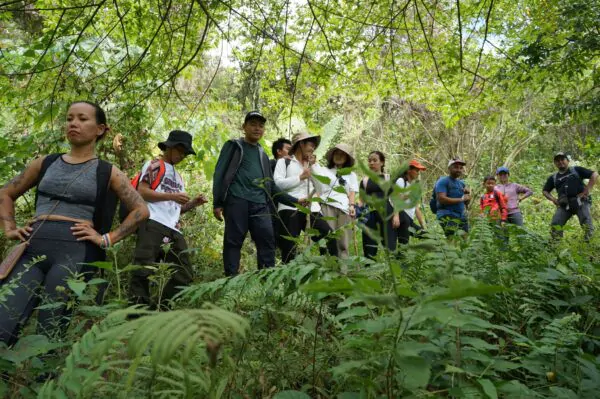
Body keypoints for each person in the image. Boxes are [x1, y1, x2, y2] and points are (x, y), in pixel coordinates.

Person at [0, 101, 149, 345]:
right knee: (5, 318)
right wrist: (9, 229)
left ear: (100, 129)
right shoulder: (46, 162)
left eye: (82, 119)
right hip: (31, 249)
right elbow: (5, 193)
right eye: (70, 118)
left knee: (52, 322)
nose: (74, 124)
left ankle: (44, 380)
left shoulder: (107, 171)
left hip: (74, 251)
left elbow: (141, 211)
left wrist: (107, 238)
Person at [212, 111, 299, 276]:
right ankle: (231, 280)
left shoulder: (263, 155)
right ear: (244, 127)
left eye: (260, 125)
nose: (257, 128)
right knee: (233, 241)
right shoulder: (233, 146)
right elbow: (220, 173)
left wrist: (295, 201)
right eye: (252, 124)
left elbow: (271, 187)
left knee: (267, 240)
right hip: (237, 201)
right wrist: (218, 202)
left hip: (260, 205)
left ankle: (267, 280)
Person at [129, 130, 208, 309]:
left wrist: (193, 203)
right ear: (170, 147)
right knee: (142, 269)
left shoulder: (179, 177)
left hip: (172, 228)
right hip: (152, 222)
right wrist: (172, 197)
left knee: (184, 271)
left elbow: (174, 210)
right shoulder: (155, 165)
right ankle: (136, 314)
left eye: (185, 153)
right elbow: (142, 192)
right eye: (180, 151)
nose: (182, 156)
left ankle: (161, 309)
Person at [274, 132, 338, 263]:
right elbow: (278, 184)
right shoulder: (284, 162)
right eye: (311, 145)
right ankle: (290, 279)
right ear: (301, 144)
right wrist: (300, 177)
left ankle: (328, 270)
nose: (313, 149)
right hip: (290, 208)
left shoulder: (312, 165)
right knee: (289, 248)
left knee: (329, 237)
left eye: (314, 146)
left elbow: (322, 189)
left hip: (312, 209)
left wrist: (314, 167)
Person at [312, 143, 359, 258]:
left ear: (347, 158)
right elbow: (317, 186)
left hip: (344, 208)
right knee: (329, 239)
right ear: (332, 156)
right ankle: (328, 270)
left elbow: (352, 191)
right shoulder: (323, 170)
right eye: (336, 153)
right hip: (327, 205)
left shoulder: (351, 174)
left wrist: (352, 206)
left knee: (343, 242)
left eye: (342, 154)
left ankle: (343, 271)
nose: (339, 156)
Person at [542, 152, 598, 241]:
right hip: (564, 204)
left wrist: (587, 190)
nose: (560, 162)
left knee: (586, 221)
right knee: (556, 223)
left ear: (567, 161)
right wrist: (553, 200)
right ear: (555, 164)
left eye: (562, 159)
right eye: (557, 161)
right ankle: (555, 245)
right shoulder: (553, 177)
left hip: (581, 200)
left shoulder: (576, 170)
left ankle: (588, 244)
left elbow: (594, 174)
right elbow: (545, 191)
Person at [359, 151, 399, 259]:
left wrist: (396, 215)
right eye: (369, 161)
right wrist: (357, 213)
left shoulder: (389, 178)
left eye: (375, 160)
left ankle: (392, 267)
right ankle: (369, 267)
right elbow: (361, 200)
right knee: (369, 242)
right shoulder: (364, 180)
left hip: (387, 212)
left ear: (382, 162)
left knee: (389, 241)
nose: (371, 163)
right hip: (369, 213)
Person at [434, 158, 471, 237]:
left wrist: (467, 196)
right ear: (449, 168)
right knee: (451, 238)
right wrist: (461, 199)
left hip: (461, 215)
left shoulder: (461, 183)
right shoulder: (443, 181)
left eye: (461, 168)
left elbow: (466, 202)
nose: (459, 170)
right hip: (446, 214)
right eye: (456, 167)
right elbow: (441, 199)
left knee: (465, 238)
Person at [395, 160, 427, 246]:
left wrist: (423, 226)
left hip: (410, 220)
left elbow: (416, 208)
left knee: (427, 236)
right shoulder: (401, 181)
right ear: (409, 170)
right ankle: (399, 259)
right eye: (416, 170)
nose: (418, 173)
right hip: (402, 218)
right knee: (404, 245)